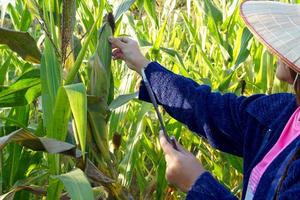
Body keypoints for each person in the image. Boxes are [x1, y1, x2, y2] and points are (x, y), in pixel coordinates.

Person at [109, 1, 300, 199]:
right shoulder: (283, 110)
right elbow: (208, 108)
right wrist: (143, 65)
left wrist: (197, 183)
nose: (275, 49)